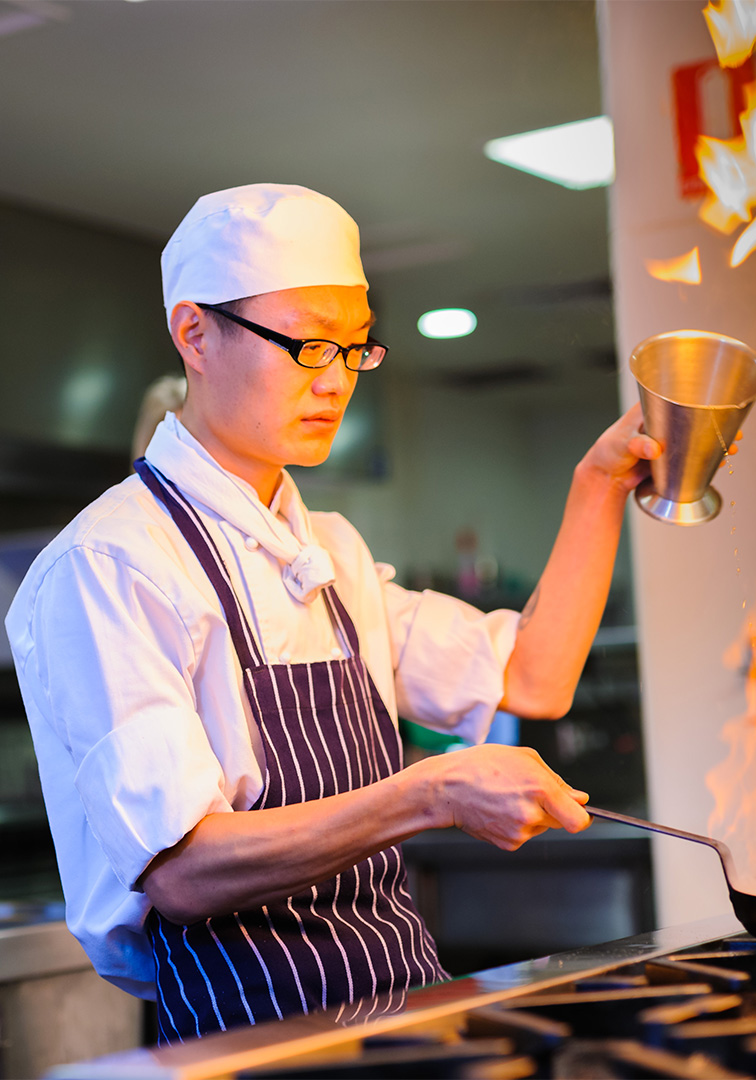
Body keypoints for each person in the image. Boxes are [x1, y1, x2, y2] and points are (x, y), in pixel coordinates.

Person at [3, 183, 694, 1042]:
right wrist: (432, 788)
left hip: (409, 1013)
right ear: (194, 333)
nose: (335, 382)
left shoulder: (330, 551)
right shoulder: (110, 562)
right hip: (248, 1038)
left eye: (354, 349)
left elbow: (533, 678)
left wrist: (597, 487)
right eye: (306, 346)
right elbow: (182, 871)